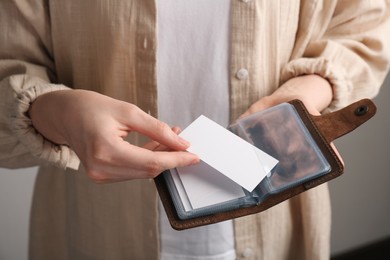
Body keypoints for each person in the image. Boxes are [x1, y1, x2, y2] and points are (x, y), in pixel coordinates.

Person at [1, 1, 389, 259]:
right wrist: (56, 112)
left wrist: (304, 96)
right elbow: (10, 60)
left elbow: (365, 26)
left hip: (277, 230)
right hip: (98, 228)